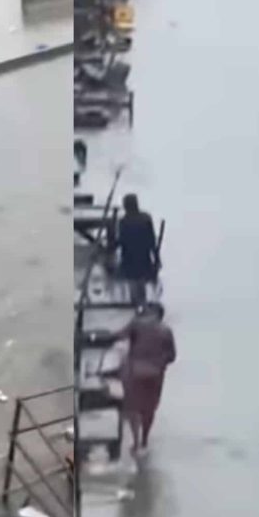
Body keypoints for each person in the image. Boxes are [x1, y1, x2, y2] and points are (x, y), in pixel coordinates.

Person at [115, 304, 176, 455]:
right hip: (155, 374)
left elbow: (119, 336)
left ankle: (135, 443)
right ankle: (145, 440)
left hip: (135, 372)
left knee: (132, 408)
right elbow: (172, 356)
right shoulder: (167, 330)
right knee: (149, 409)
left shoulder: (136, 323)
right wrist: (159, 364)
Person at [117, 193, 159, 303]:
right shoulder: (145, 219)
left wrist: (108, 247)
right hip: (143, 259)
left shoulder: (123, 222)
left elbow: (121, 242)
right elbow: (152, 241)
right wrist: (157, 258)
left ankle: (136, 306)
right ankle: (141, 306)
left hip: (129, 260)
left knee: (134, 288)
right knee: (141, 286)